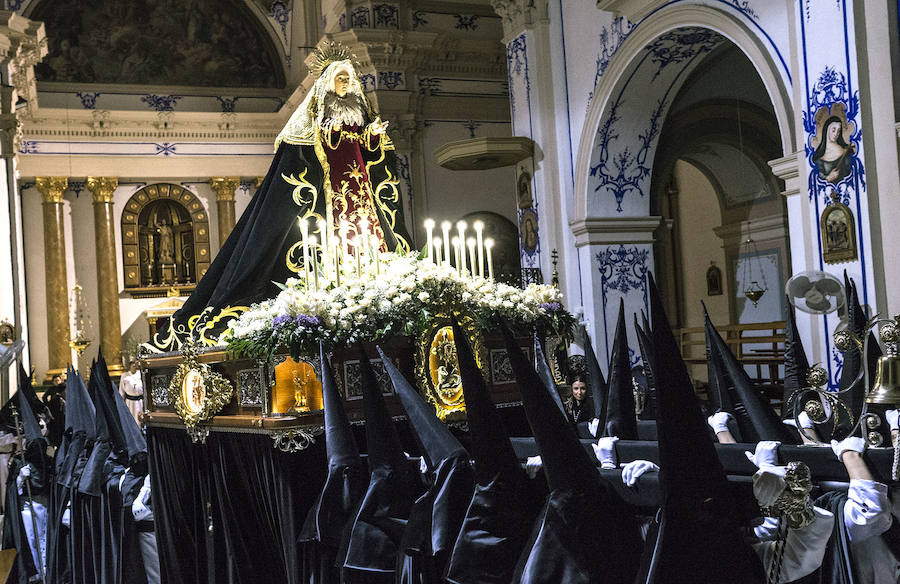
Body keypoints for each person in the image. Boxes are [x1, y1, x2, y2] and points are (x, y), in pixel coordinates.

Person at [147, 42, 411, 352]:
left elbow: (371, 155)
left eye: (349, 79)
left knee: (370, 238)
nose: (346, 84)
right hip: (329, 196)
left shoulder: (358, 115)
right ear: (327, 84)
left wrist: (373, 138)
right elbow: (305, 156)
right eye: (340, 78)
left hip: (359, 194)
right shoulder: (315, 122)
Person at [813, 116, 853, 184]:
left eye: (838, 131)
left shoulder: (846, 151)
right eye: (833, 130)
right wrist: (828, 178)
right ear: (827, 130)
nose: (836, 134)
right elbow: (818, 177)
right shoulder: (819, 158)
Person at [119, 361, 144, 427]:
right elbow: (121, 390)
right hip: (130, 402)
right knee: (131, 418)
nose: (134, 367)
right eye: (133, 366)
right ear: (129, 367)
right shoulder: (125, 376)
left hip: (140, 401)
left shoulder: (140, 374)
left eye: (135, 366)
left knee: (140, 418)